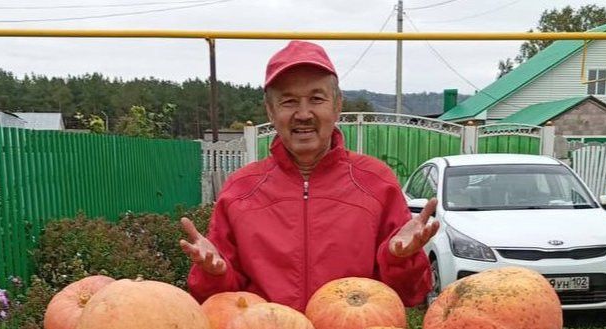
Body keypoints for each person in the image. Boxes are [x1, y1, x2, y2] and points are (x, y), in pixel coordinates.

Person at [180, 40, 439, 312]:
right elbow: (220, 303)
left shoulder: (377, 183)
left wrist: (401, 259)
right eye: (289, 101)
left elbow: (410, 294)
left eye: (316, 99)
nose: (303, 114)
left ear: (337, 106)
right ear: (270, 111)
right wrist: (213, 272)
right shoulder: (239, 191)